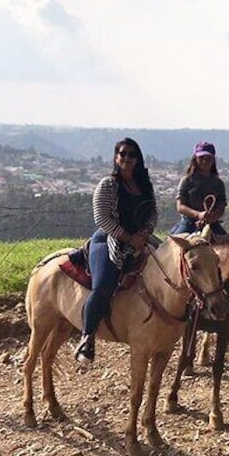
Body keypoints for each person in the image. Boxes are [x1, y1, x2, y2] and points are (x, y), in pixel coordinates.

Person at [75, 138, 158, 364]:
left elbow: (152, 213)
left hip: (141, 238)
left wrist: (144, 233)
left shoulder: (144, 185)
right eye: (122, 154)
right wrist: (130, 237)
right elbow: (102, 218)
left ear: (137, 158)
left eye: (131, 154)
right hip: (110, 240)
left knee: (168, 266)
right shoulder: (108, 185)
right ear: (116, 157)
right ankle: (87, 337)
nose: (127, 158)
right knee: (103, 285)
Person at [169, 141, 227, 236]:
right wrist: (198, 215)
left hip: (212, 225)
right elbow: (180, 206)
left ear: (213, 160)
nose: (204, 161)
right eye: (201, 158)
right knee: (172, 247)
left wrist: (211, 218)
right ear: (195, 159)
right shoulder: (186, 181)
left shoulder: (218, 183)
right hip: (188, 224)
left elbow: (221, 207)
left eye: (208, 158)